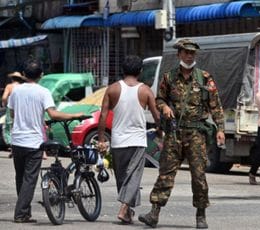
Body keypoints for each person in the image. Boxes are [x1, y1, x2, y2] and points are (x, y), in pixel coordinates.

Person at [138, 39, 225, 229]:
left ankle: (200, 215)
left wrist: (220, 129)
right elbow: (159, 99)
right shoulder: (169, 77)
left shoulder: (204, 78)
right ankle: (154, 213)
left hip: (196, 134)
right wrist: (165, 107)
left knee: (199, 176)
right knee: (166, 174)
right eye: (185, 53)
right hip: (175, 133)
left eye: (192, 53)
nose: (189, 56)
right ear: (179, 55)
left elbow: (215, 105)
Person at [8, 58, 84, 223]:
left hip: (17, 140)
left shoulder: (15, 91)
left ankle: (25, 212)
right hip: (33, 143)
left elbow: (13, 114)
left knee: (20, 177)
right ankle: (20, 214)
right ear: (41, 75)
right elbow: (54, 114)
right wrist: (75, 115)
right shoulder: (43, 92)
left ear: (23, 74)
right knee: (29, 179)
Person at [97, 55, 160, 224]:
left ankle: (128, 213)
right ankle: (124, 207)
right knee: (133, 177)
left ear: (123, 70)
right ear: (140, 71)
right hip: (137, 141)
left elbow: (103, 116)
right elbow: (156, 115)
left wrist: (102, 139)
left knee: (123, 178)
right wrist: (161, 129)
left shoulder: (112, 89)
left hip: (118, 141)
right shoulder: (145, 90)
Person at [2, 71, 27, 158]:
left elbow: (4, 97)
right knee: (19, 126)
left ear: (12, 78)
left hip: (11, 108)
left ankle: (13, 147)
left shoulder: (9, 86)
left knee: (10, 127)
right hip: (21, 109)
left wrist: (4, 104)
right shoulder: (22, 87)